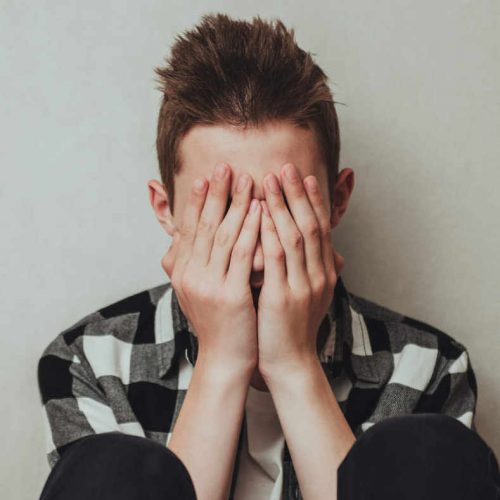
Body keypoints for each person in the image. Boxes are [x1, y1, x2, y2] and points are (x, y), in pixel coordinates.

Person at [37, 13, 499, 500]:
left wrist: (294, 364)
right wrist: (221, 361)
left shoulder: (428, 367)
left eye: (284, 208)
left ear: (336, 201)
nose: (253, 251)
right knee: (108, 472)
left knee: (427, 453)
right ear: (165, 210)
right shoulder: (86, 359)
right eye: (225, 210)